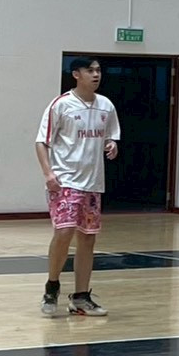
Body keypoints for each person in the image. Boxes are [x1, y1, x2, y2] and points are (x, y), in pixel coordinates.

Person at [36, 57, 120, 317]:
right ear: (76, 74)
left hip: (93, 183)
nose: (96, 75)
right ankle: (52, 286)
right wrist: (48, 174)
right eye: (90, 70)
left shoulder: (106, 105)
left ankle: (81, 297)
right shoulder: (61, 104)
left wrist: (112, 145)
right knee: (64, 231)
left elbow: (111, 137)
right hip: (65, 181)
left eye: (98, 70)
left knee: (87, 237)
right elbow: (41, 142)